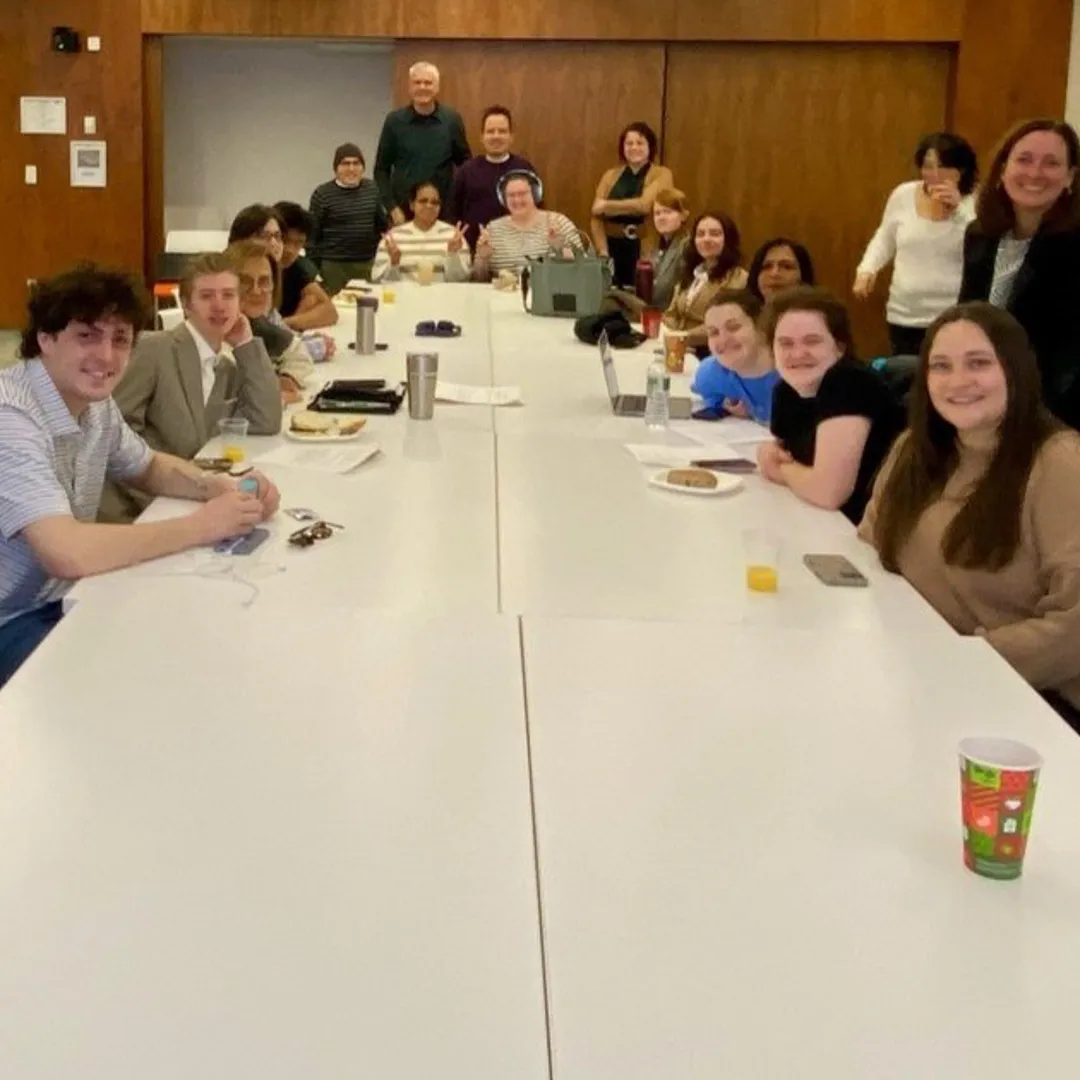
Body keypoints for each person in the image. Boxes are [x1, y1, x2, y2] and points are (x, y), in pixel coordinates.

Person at [0, 264, 280, 686]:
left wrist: (218, 487)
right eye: (87, 336)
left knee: (192, 636)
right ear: (45, 338)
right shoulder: (11, 416)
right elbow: (67, 552)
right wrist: (203, 525)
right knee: (151, 674)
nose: (107, 356)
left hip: (62, 595)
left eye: (120, 339)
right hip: (12, 618)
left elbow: (148, 466)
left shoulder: (93, 402)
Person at [859, 302, 1080, 724]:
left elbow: (1074, 628)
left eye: (978, 363)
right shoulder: (913, 449)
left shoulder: (1060, 464)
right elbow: (869, 548)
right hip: (922, 676)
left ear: (1015, 370)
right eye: (941, 366)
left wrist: (959, 661)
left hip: (1034, 702)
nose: (958, 381)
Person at [104, 252, 284, 522]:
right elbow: (112, 436)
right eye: (207, 296)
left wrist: (246, 344)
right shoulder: (155, 349)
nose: (219, 306)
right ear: (187, 305)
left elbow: (266, 420)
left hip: (192, 499)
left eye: (228, 295)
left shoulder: (226, 369)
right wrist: (168, 500)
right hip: (137, 508)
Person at [958, 118, 1080, 430]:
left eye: (1051, 163)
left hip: (1055, 409)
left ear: (1070, 177)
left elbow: (1070, 355)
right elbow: (966, 316)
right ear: (1003, 169)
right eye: (1024, 159)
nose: (1035, 173)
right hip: (982, 397)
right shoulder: (980, 235)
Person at [757, 286, 904, 524]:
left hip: (875, 530)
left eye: (812, 341)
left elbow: (828, 492)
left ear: (840, 346)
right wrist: (777, 460)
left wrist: (778, 468)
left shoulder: (849, 381)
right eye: (786, 343)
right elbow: (788, 457)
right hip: (825, 521)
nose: (798, 353)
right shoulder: (785, 391)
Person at [854, 132, 979, 356]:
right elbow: (885, 237)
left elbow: (982, 247)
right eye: (928, 167)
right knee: (906, 372)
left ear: (961, 170)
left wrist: (959, 211)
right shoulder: (903, 195)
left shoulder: (976, 203)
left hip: (955, 314)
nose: (935, 174)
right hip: (904, 314)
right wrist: (867, 269)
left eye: (944, 166)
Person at [228, 205, 335, 364]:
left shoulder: (273, 276)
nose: (274, 243)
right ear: (239, 241)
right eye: (263, 236)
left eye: (278, 237)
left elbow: (277, 333)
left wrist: (304, 340)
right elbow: (265, 348)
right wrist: (316, 347)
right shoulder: (229, 280)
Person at [374, 62, 470, 226]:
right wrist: (391, 208)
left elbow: (465, 165)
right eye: (417, 82)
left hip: (443, 214)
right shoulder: (394, 121)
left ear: (437, 87)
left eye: (428, 83)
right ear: (410, 87)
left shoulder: (452, 121)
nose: (422, 87)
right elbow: (381, 170)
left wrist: (456, 206)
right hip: (403, 215)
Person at [227, 241, 316, 404]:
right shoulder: (215, 332)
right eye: (245, 281)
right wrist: (277, 397)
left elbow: (300, 355)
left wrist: (287, 377)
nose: (256, 290)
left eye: (264, 281)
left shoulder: (258, 325)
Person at [590, 122, 674, 288]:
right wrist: (603, 252)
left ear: (650, 147)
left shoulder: (662, 174)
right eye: (629, 143)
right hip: (611, 247)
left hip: (644, 246)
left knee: (642, 292)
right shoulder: (610, 175)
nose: (634, 147)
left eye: (640, 143)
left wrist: (606, 206)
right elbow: (595, 213)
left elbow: (644, 205)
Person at [446, 105, 536, 247]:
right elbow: (453, 213)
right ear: (482, 137)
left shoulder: (524, 170)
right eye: (490, 131)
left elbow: (537, 211)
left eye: (502, 131)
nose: (496, 136)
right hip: (474, 250)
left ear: (511, 137)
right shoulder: (466, 171)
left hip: (517, 249)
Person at [471, 171, 582, 280]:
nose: (517, 200)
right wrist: (483, 259)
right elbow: (479, 278)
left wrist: (560, 248)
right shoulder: (493, 229)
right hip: (504, 291)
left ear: (535, 194)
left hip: (551, 290)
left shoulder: (559, 222)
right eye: (511, 195)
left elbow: (582, 268)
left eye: (522, 194)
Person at [307, 143, 388, 293]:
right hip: (334, 267)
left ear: (363, 168)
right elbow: (311, 236)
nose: (351, 168)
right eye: (345, 163)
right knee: (336, 306)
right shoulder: (322, 194)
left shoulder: (372, 189)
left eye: (356, 163)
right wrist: (316, 270)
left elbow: (382, 226)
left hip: (366, 264)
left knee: (368, 303)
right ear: (336, 168)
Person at [662, 211, 748, 348]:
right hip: (678, 346)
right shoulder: (691, 273)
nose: (706, 239)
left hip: (711, 350)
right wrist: (671, 333)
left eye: (714, 234)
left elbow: (722, 324)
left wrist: (682, 337)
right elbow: (671, 313)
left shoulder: (738, 278)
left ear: (728, 239)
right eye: (700, 234)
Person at [693, 290, 780, 423]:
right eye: (714, 332)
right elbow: (709, 393)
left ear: (761, 328)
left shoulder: (792, 376)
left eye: (733, 327)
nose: (723, 340)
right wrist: (724, 404)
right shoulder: (711, 374)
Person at [370, 181, 471, 283]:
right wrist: (394, 263)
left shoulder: (454, 236)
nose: (429, 206)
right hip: (404, 293)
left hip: (442, 293)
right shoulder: (393, 237)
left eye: (435, 202)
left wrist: (453, 255)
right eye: (423, 201)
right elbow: (377, 280)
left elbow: (462, 280)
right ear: (412, 205)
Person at [271, 201, 338, 330]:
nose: (290, 250)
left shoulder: (297, 268)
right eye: (285, 240)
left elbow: (330, 312)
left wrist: (286, 324)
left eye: (298, 243)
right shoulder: (255, 267)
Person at [648, 188, 691, 311]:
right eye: (657, 213)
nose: (661, 217)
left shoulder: (688, 246)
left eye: (667, 212)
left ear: (683, 216)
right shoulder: (655, 247)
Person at [747, 237, 816, 303]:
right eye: (767, 267)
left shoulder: (816, 310)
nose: (774, 274)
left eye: (787, 267)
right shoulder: (743, 309)